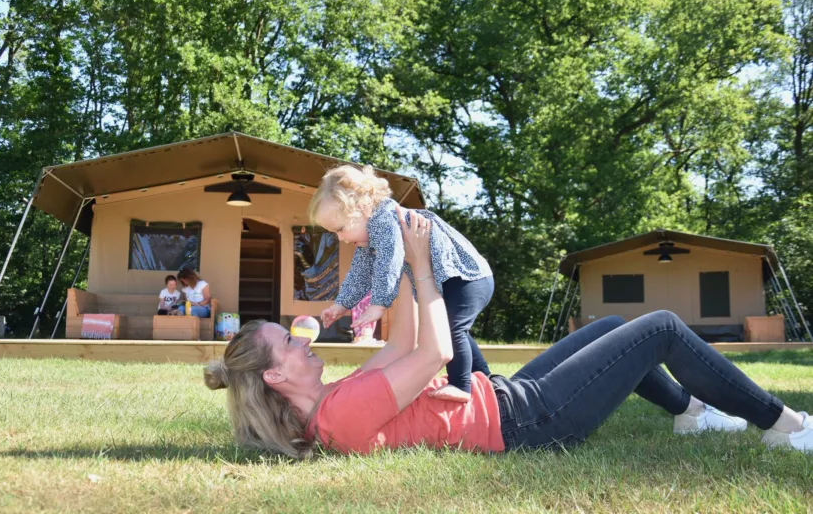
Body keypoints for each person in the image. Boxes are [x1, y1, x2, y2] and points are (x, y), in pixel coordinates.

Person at [204, 207, 813, 458]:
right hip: (531, 422)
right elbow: (439, 350)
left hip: (507, 397)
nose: (301, 341)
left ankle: (686, 412)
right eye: (288, 342)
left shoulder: (335, 404)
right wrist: (420, 264)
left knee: (612, 325)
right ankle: (786, 426)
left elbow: (401, 345)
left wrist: (395, 277)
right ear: (276, 375)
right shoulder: (341, 414)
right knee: (659, 327)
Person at [309, 165, 493, 402]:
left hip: (467, 278)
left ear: (363, 208)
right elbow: (360, 272)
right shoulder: (370, 233)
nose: (341, 238)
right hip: (460, 281)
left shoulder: (386, 220)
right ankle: (486, 379)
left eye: (341, 229)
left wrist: (379, 304)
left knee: (450, 329)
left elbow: (390, 260)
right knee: (457, 330)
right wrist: (342, 304)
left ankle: (461, 384)